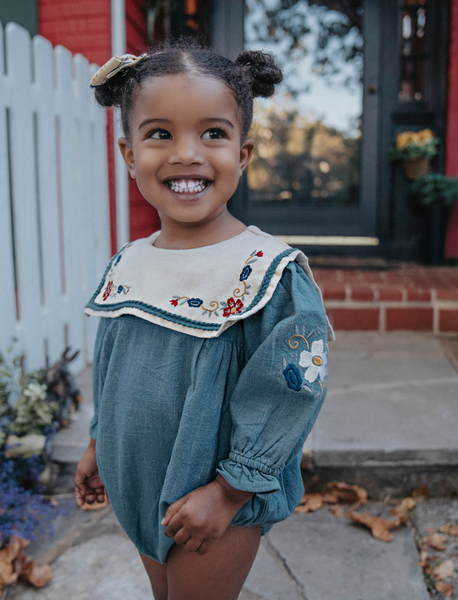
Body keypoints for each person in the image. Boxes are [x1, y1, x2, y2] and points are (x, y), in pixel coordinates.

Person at [75, 40, 334, 600]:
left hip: (212, 496)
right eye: (160, 133)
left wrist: (231, 492)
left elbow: (292, 389)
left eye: (212, 133)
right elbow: (114, 363)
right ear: (128, 154)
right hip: (136, 481)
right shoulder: (131, 262)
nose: (186, 154)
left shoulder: (264, 272)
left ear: (242, 154)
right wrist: (100, 442)